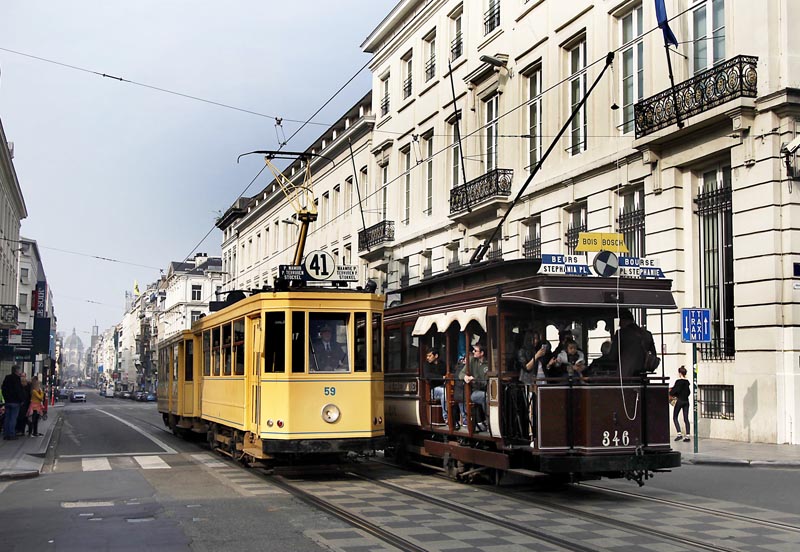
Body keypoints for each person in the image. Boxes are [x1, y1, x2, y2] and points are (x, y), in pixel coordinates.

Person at [607, 309, 657, 377]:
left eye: (620, 321)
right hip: (642, 374)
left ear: (624, 320)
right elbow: (654, 353)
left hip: (625, 374)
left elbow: (613, 356)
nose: (619, 324)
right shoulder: (647, 334)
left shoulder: (621, 333)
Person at [458, 344, 489, 432]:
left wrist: (476, 380)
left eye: (475, 351)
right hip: (474, 392)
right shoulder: (472, 360)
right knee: (486, 397)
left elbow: (486, 381)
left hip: (487, 389)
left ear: (482, 353)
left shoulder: (488, 363)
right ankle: (488, 422)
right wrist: (466, 377)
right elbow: (461, 374)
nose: (473, 352)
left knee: (488, 397)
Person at [423, 348, 452, 426]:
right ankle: (446, 417)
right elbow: (427, 375)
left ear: (436, 356)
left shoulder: (443, 364)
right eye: (427, 356)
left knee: (450, 392)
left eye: (429, 356)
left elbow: (449, 372)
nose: (427, 358)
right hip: (433, 390)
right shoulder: (426, 365)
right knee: (444, 392)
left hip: (444, 386)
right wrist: (442, 377)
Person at [2, 366, 25, 441]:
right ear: (16, 371)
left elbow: (3, 388)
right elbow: (18, 390)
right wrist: (21, 400)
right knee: (13, 418)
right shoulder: (17, 379)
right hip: (15, 402)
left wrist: (6, 398)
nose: (20, 372)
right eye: (19, 371)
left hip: (8, 401)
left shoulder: (7, 377)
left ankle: (6, 434)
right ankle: (11, 434)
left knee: (7, 418)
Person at [669, 366, 691, 442]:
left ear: (680, 373)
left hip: (680, 401)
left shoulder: (678, 382)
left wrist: (672, 392)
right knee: (686, 418)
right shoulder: (687, 382)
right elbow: (688, 392)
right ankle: (687, 435)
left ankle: (679, 434)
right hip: (686, 401)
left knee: (675, 417)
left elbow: (673, 391)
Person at [16, 372, 31, 437]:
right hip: (25, 404)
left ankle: (20, 430)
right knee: (24, 418)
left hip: (23, 404)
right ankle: (22, 430)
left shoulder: (21, 387)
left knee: (21, 417)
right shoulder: (27, 386)